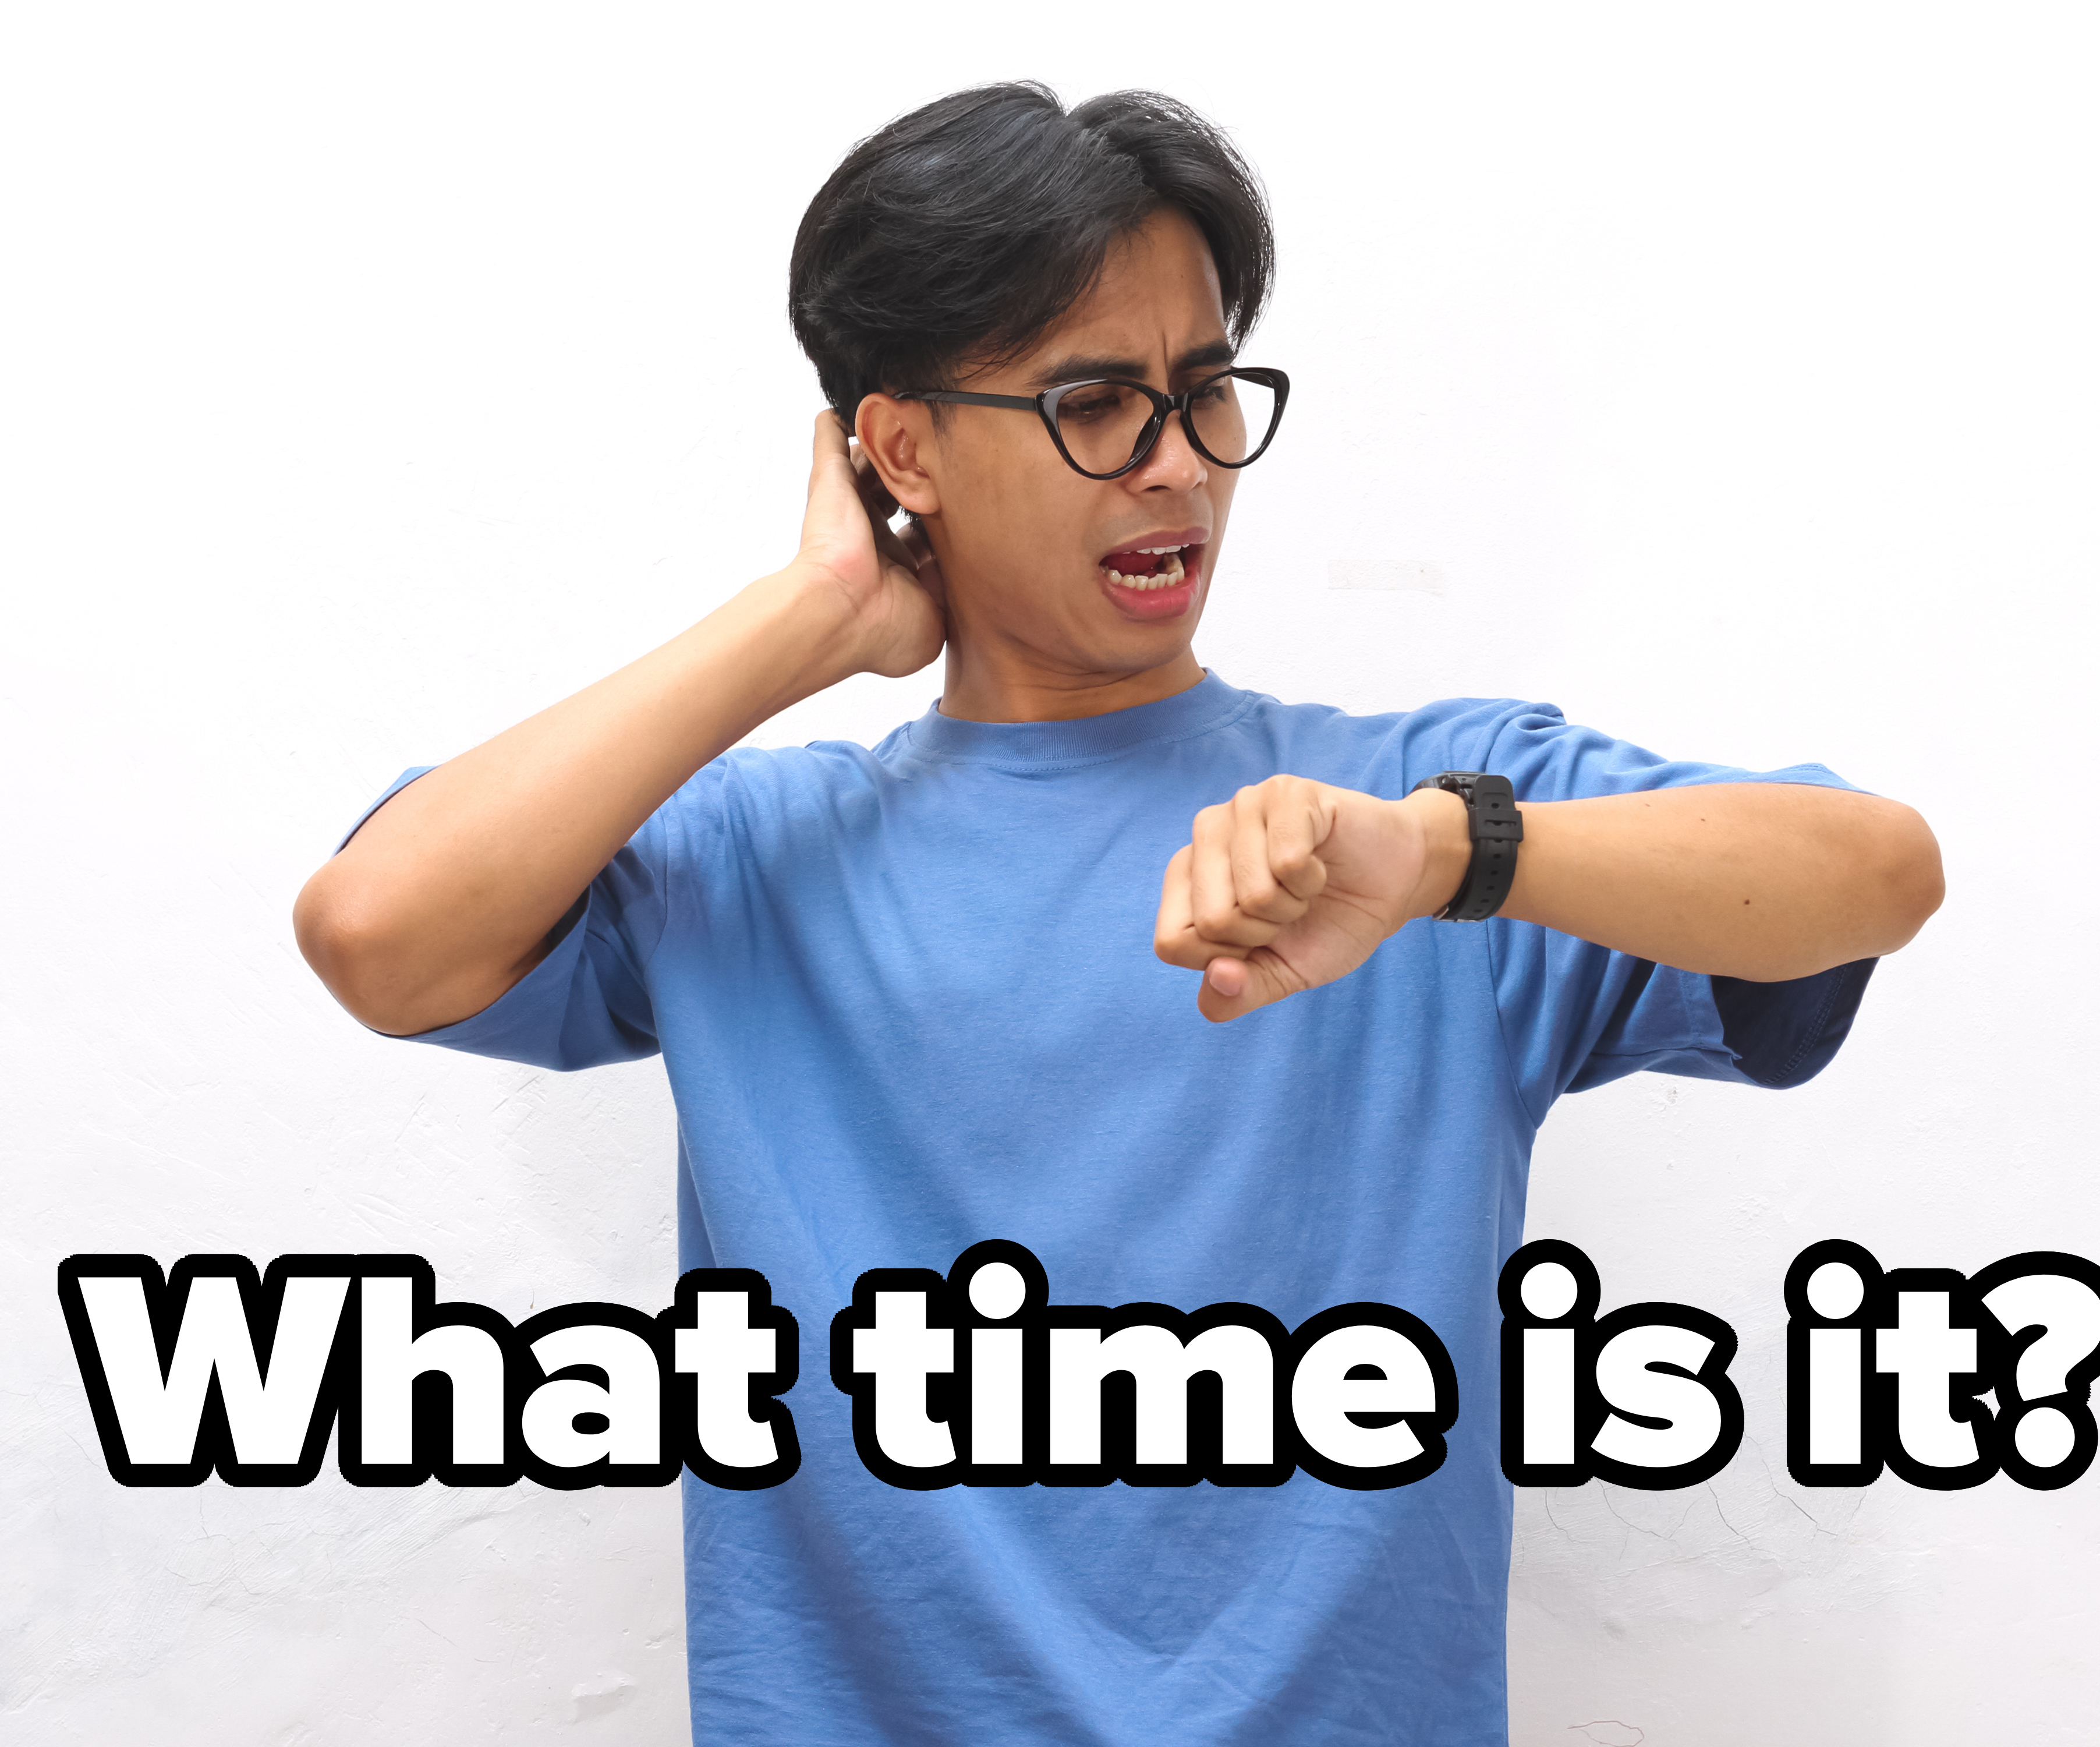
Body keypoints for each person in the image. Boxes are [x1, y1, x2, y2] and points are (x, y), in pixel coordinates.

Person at [295, 80, 1942, 1747]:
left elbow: (1874, 874)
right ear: (902, 448)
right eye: (1096, 402)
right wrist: (810, 615)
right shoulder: (749, 861)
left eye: (1209, 391)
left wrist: (1458, 857)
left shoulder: (1412, 810)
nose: (1178, 467)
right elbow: (379, 928)